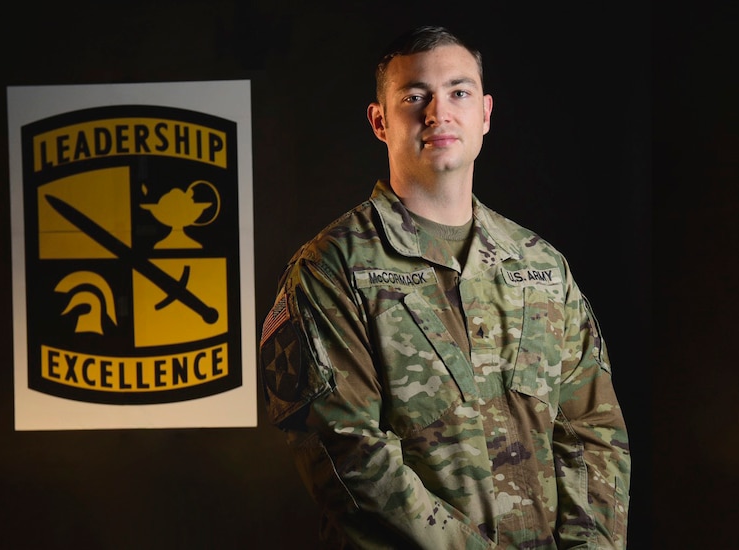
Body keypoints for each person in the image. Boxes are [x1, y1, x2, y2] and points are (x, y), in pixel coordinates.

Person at [259, 25, 631, 549]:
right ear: (379, 121)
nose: (438, 113)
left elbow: (593, 431)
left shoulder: (542, 266)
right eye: (415, 96)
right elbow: (351, 461)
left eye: (459, 92)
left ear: (485, 113)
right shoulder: (331, 269)